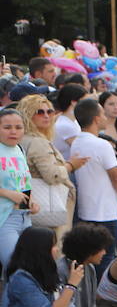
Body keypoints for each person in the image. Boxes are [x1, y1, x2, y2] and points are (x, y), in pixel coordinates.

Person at [70, 96, 117, 273]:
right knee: (106, 257)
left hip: (85, 211)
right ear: (96, 118)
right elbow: (116, 177)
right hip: (105, 213)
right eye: (102, 113)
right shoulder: (102, 145)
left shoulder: (77, 142)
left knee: (89, 259)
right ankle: (100, 297)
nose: (105, 117)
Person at [16, 94, 81, 237]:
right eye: (39, 112)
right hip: (46, 206)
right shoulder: (37, 142)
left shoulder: (22, 139)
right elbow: (52, 175)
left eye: (49, 111)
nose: (46, 116)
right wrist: (71, 165)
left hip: (30, 205)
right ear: (28, 114)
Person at [58, 223, 117, 307]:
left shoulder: (90, 268)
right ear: (88, 249)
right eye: (101, 249)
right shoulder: (61, 270)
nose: (104, 252)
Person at [0, 109, 36, 269]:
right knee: (14, 266)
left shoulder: (19, 150)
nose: (13, 131)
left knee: (26, 270)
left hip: (24, 216)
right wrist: (7, 194)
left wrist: (32, 201)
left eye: (18, 127)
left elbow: (23, 183)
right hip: (4, 217)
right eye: (7, 127)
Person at [52, 83, 86, 158]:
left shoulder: (71, 121)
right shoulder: (66, 125)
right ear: (73, 102)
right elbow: (83, 150)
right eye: (84, 101)